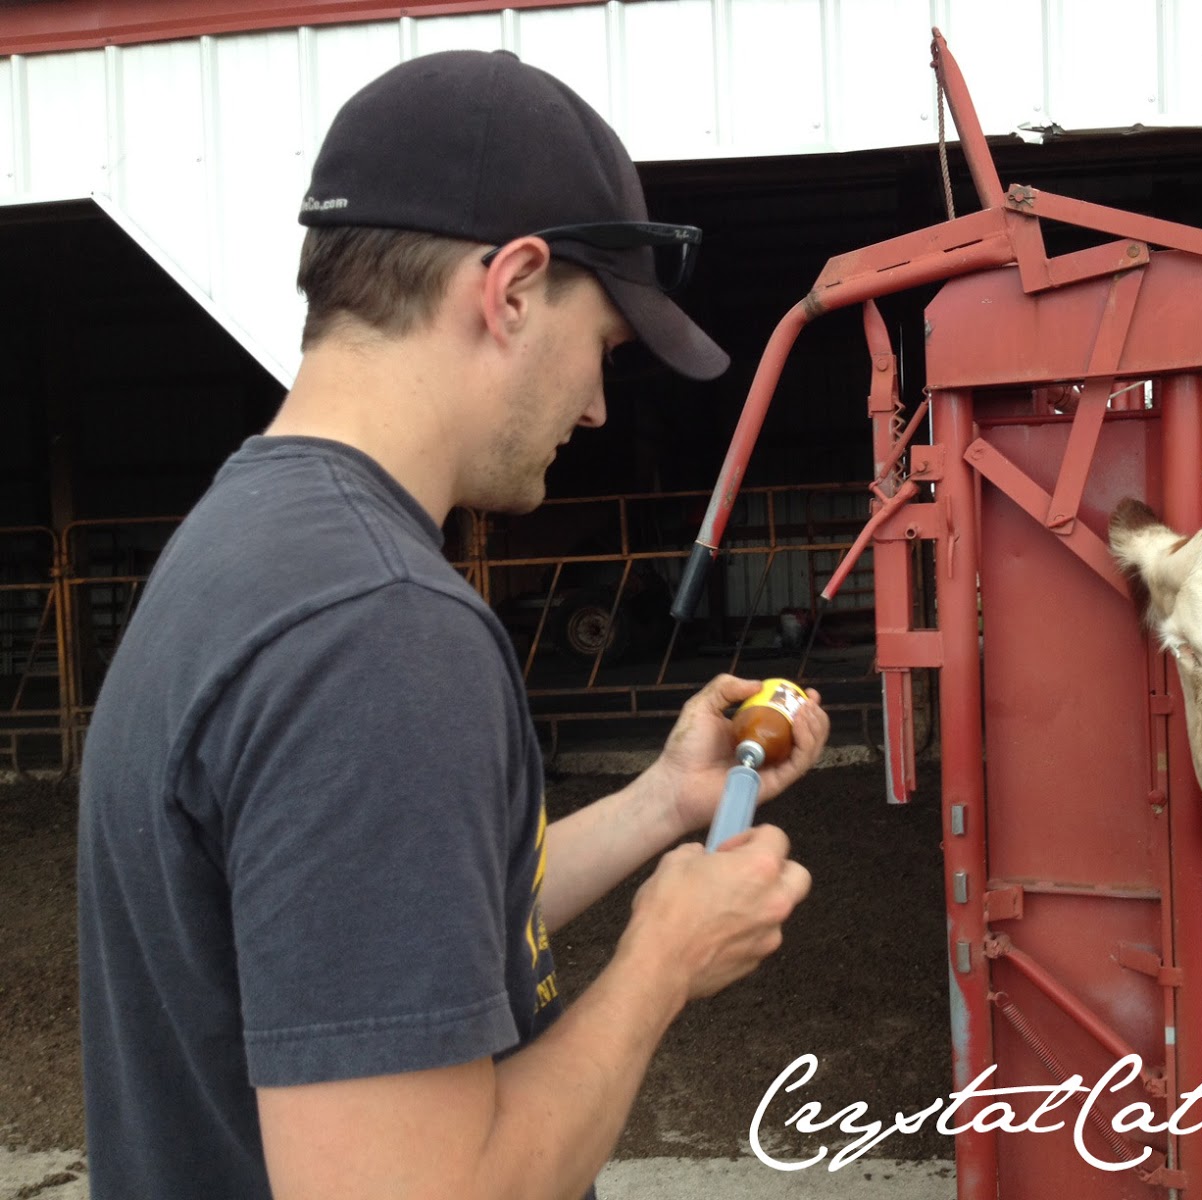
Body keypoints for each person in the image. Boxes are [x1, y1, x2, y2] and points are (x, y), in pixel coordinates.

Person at [76, 49, 827, 1200]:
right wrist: (660, 963)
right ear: (513, 288)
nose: (593, 405)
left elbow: (375, 939)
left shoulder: (249, 543)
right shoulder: (378, 632)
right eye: (603, 349)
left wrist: (661, 808)